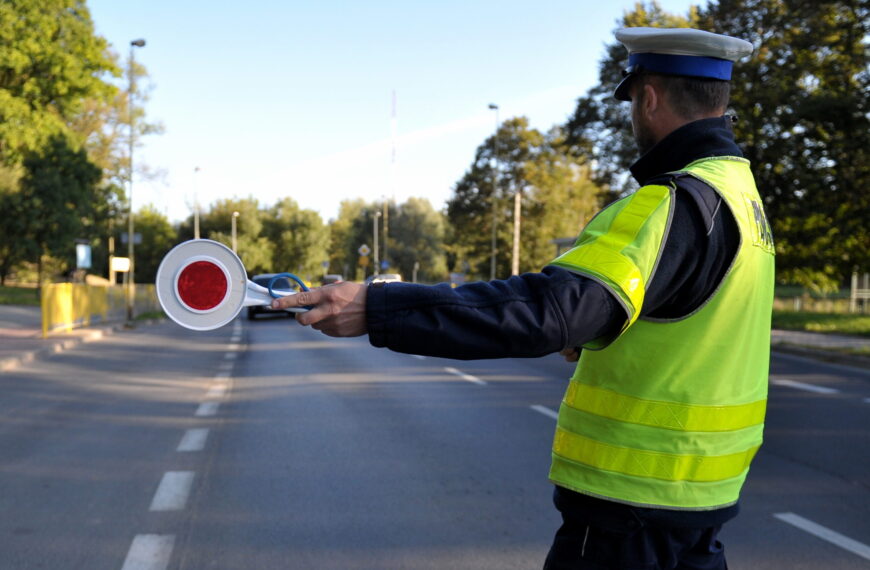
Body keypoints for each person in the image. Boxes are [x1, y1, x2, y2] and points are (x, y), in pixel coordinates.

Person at [273, 27, 774, 570]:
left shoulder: (667, 205)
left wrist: (377, 307)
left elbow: (545, 312)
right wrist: (599, 332)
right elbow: (694, 321)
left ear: (649, 96)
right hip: (699, 510)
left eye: (631, 99)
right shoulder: (742, 200)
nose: (632, 113)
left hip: (631, 524)